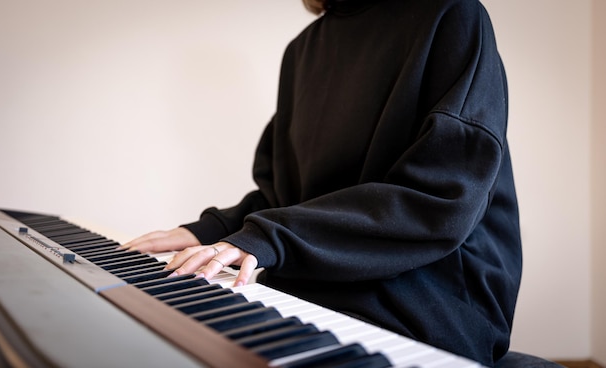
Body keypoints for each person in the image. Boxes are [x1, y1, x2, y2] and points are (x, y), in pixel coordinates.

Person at [121, 0, 522, 365]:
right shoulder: (303, 50)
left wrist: (268, 237)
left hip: (427, 305)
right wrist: (210, 230)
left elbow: (442, 198)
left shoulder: (450, 13)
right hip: (309, 293)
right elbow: (284, 195)